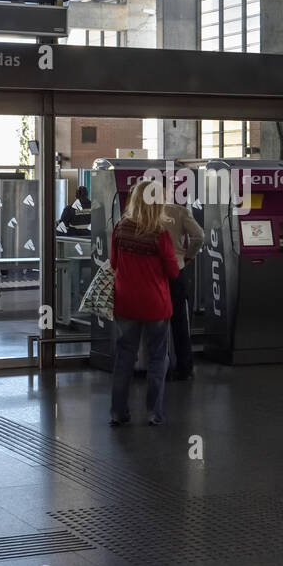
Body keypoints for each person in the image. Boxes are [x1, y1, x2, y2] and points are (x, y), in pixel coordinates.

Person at [109, 180, 180, 427]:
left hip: (126, 303)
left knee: (124, 358)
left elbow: (113, 263)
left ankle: (118, 412)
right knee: (157, 358)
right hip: (155, 305)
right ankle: (154, 413)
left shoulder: (120, 229)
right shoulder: (160, 235)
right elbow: (173, 271)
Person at [160, 198, 205, 380]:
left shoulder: (144, 212)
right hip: (176, 269)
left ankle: (156, 366)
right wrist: (188, 256)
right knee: (179, 320)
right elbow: (199, 236)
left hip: (152, 272)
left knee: (155, 321)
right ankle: (184, 366)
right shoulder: (179, 211)